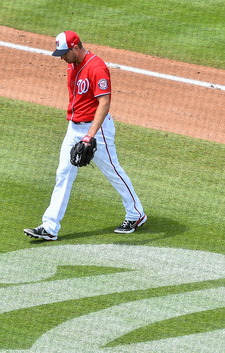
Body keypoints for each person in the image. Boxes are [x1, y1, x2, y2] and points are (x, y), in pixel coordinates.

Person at [25, 31, 146, 241]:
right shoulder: (72, 65)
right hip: (74, 128)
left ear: (75, 47)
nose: (62, 58)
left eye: (64, 53)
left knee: (112, 171)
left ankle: (136, 214)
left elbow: (104, 104)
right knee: (63, 173)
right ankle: (49, 227)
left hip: (97, 130)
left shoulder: (96, 67)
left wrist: (90, 136)